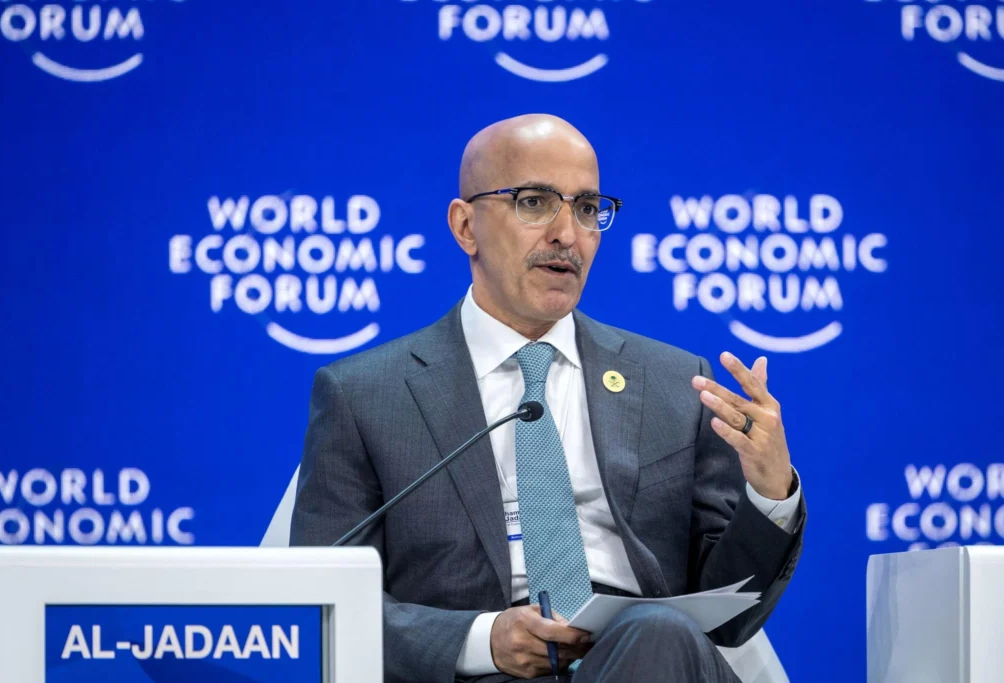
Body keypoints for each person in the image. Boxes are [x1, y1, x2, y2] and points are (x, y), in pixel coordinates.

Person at [290, 114, 805, 683]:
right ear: (465, 226)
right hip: (479, 674)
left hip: (652, 659)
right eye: (534, 202)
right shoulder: (367, 396)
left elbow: (731, 615)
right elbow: (325, 601)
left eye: (586, 208)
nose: (567, 234)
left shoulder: (675, 383)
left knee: (659, 632)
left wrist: (770, 493)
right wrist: (484, 641)